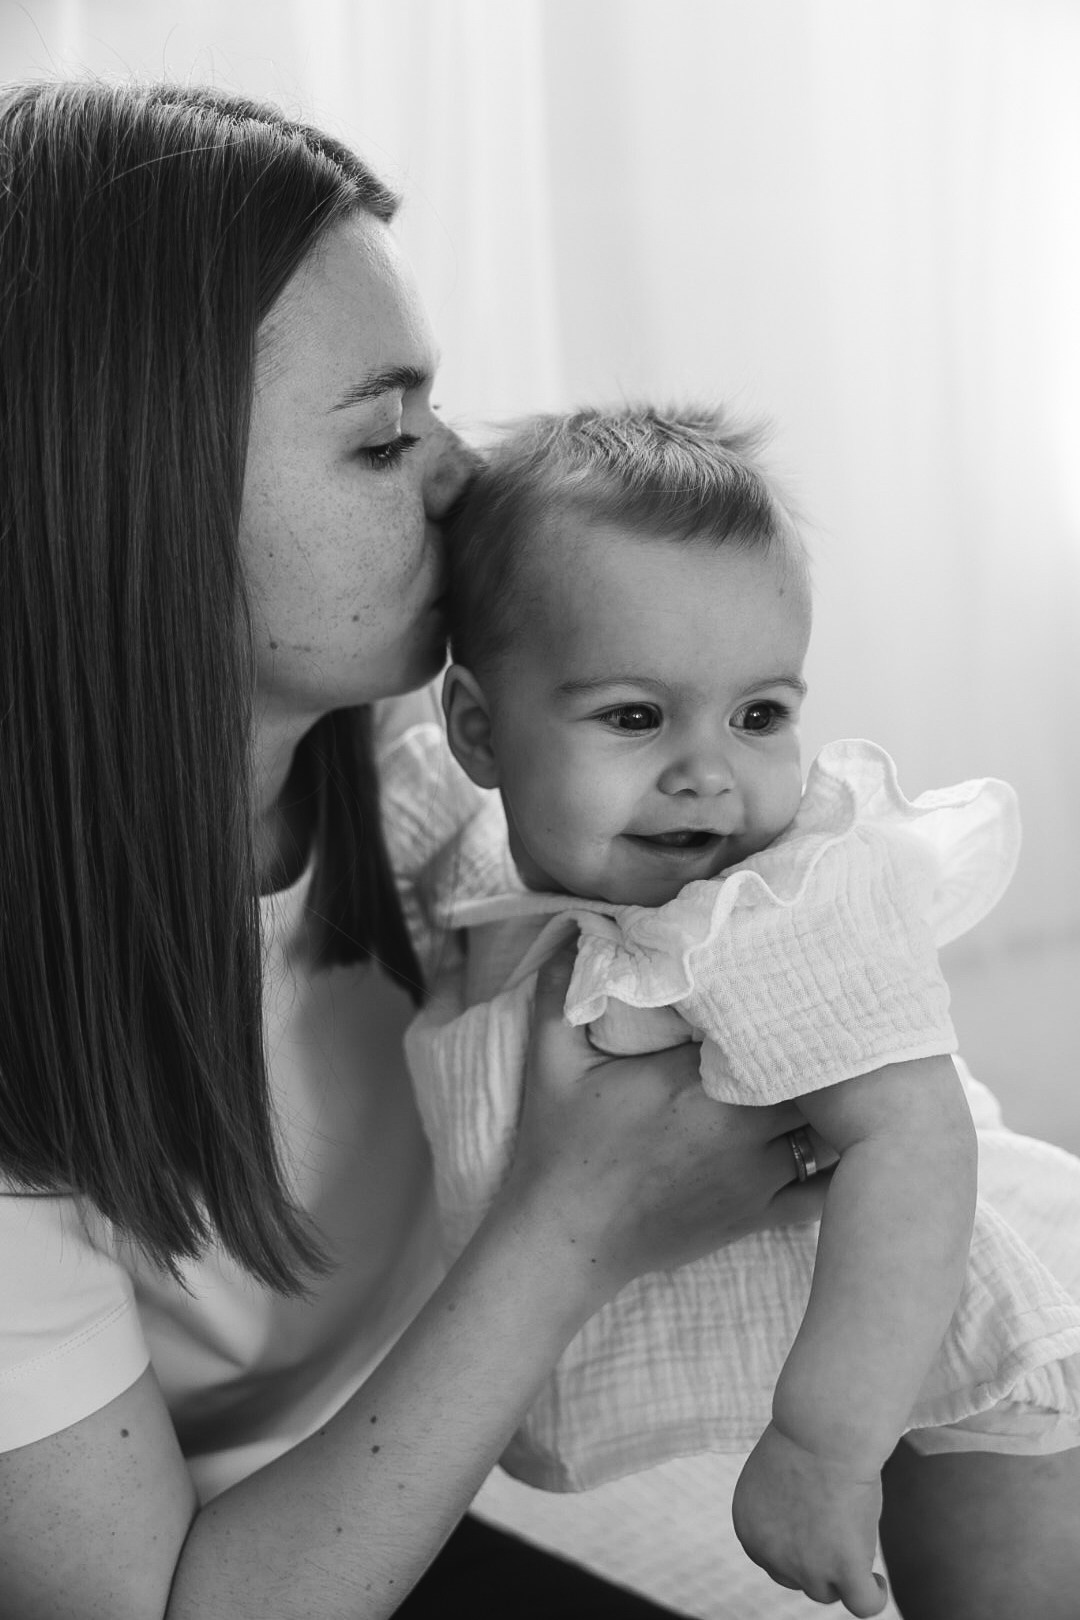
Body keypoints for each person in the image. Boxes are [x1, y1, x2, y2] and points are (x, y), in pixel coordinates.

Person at [0, 80, 845, 1620]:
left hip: (318, 1508)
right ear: (127, 502)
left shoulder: (427, 780)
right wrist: (572, 1229)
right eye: (385, 439)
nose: (462, 474)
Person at [400, 404, 1080, 1617]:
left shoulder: (770, 905)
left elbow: (917, 1138)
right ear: (475, 731)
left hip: (957, 1336)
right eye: (634, 715)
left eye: (759, 715)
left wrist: (825, 1450)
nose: (709, 771)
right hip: (880, 1346)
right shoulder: (501, 879)